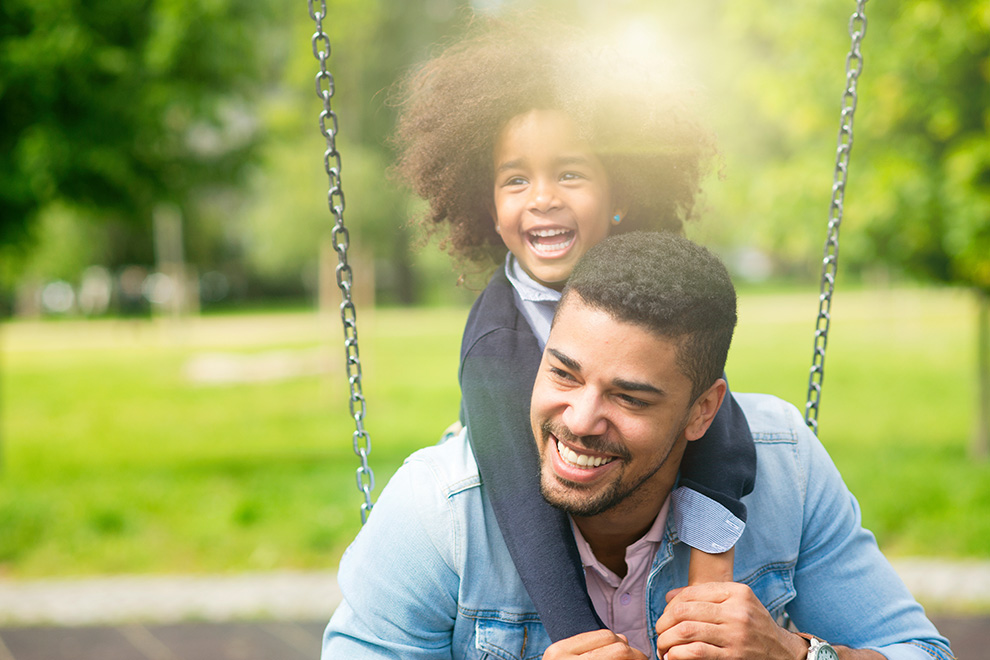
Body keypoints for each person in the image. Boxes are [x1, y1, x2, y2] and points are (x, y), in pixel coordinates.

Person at [323, 233, 953, 660]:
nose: (580, 420)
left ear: (702, 409)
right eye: (563, 373)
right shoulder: (441, 511)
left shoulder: (786, 466)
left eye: (629, 398)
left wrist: (795, 653)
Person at [391, 16, 755, 640]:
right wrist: (577, 636)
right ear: (490, 204)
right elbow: (520, 502)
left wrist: (710, 578)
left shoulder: (659, 295)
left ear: (620, 190)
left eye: (569, 174)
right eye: (515, 179)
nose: (541, 197)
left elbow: (718, 429)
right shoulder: (496, 345)